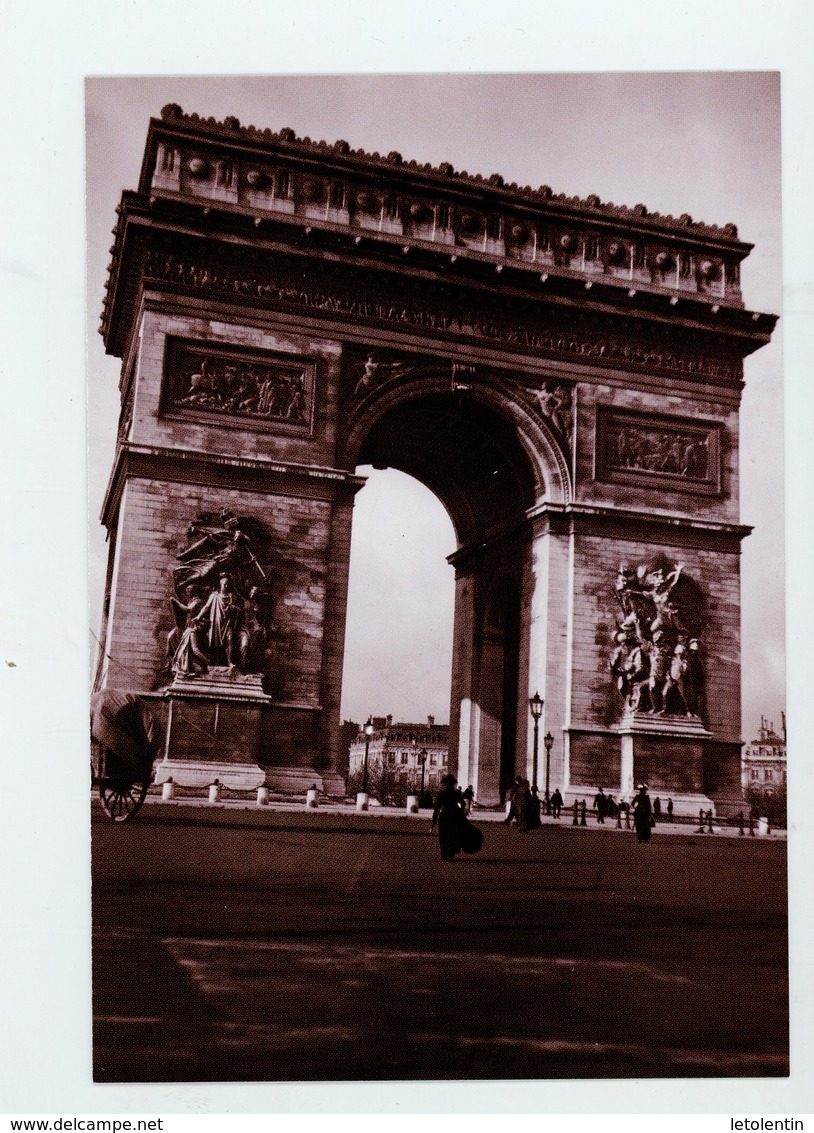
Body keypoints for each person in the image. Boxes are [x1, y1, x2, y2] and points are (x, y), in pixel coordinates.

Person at [431, 774, 467, 861]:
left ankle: (444, 854)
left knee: (443, 836)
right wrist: (461, 812)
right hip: (455, 814)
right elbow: (463, 804)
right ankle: (451, 852)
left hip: (444, 816)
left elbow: (436, 809)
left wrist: (433, 823)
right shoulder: (457, 793)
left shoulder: (442, 794)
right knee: (454, 834)